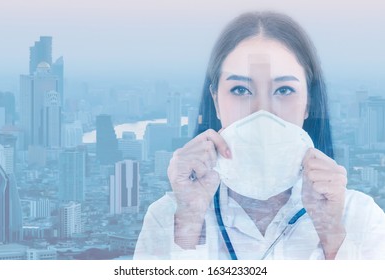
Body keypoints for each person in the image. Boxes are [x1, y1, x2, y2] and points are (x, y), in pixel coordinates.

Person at [134, 11, 385, 260]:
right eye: (240, 89)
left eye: (284, 90)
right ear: (216, 102)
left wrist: (331, 235)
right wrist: (189, 221)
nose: (262, 111)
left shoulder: (359, 216)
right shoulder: (167, 217)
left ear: (308, 102)